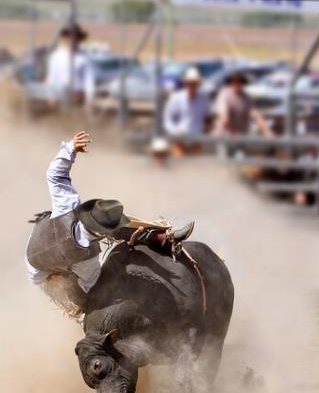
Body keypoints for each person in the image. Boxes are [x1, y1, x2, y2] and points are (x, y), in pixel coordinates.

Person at [25, 131, 194, 315]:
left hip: (36, 266)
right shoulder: (88, 263)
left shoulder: (66, 206)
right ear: (102, 234)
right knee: (84, 301)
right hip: (45, 272)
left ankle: (159, 237)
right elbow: (91, 286)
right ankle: (160, 238)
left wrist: (70, 148)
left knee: (82, 296)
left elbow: (54, 175)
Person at [163, 67, 210, 157]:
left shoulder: (204, 98)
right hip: (180, 137)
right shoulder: (176, 97)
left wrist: (206, 128)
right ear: (186, 83)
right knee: (179, 163)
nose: (192, 85)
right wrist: (175, 131)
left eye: (194, 83)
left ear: (198, 84)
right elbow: (167, 118)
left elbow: (207, 117)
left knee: (196, 166)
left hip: (197, 138)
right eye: (190, 83)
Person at [45, 23, 95, 106]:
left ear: (79, 40)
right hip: (59, 95)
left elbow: (89, 80)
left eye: (75, 38)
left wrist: (90, 99)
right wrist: (50, 96)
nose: (72, 41)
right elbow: (52, 77)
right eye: (69, 38)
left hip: (78, 96)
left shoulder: (85, 58)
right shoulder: (56, 56)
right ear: (65, 38)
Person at [213, 71, 273, 139]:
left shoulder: (246, 97)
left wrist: (268, 131)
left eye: (241, 81)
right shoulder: (224, 94)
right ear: (230, 83)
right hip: (226, 136)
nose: (237, 84)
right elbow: (224, 117)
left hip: (241, 136)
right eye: (235, 81)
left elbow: (256, 116)